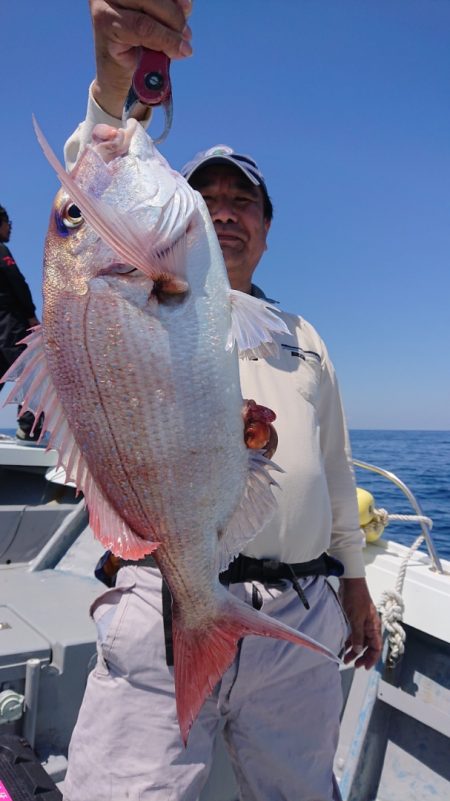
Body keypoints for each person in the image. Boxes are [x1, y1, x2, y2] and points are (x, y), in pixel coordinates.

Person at [62, 3, 382, 800]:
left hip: (300, 616)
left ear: (268, 231)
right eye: (207, 197)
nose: (225, 211)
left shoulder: (303, 336)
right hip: (163, 593)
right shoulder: (132, 286)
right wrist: (115, 75)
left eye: (245, 202)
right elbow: (95, 169)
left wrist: (354, 581)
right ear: (181, 223)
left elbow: (335, 466)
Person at [0, 205, 43, 441]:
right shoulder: (1, 251)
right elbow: (18, 283)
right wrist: (31, 315)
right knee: (30, 371)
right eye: (9, 224)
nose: (11, 229)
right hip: (11, 322)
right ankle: (29, 428)